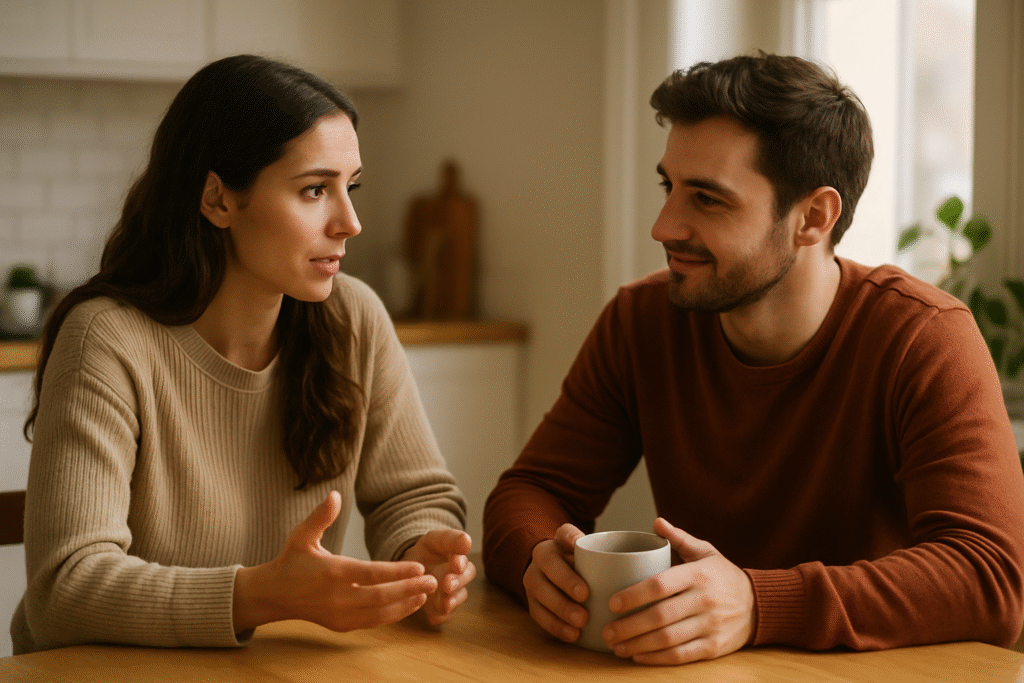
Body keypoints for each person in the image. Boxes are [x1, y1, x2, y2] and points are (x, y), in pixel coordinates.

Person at [483, 52, 1024, 665]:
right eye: (670, 188)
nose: (664, 226)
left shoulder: (924, 339)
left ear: (813, 217)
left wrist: (760, 602)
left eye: (708, 200)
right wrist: (539, 561)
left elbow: (989, 579)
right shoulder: (642, 323)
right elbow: (531, 490)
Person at [11, 54, 475, 655]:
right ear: (218, 199)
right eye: (315, 190)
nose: (350, 223)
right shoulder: (106, 339)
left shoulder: (354, 318)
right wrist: (265, 595)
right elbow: (64, 592)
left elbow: (412, 497)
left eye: (350, 187)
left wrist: (422, 552)